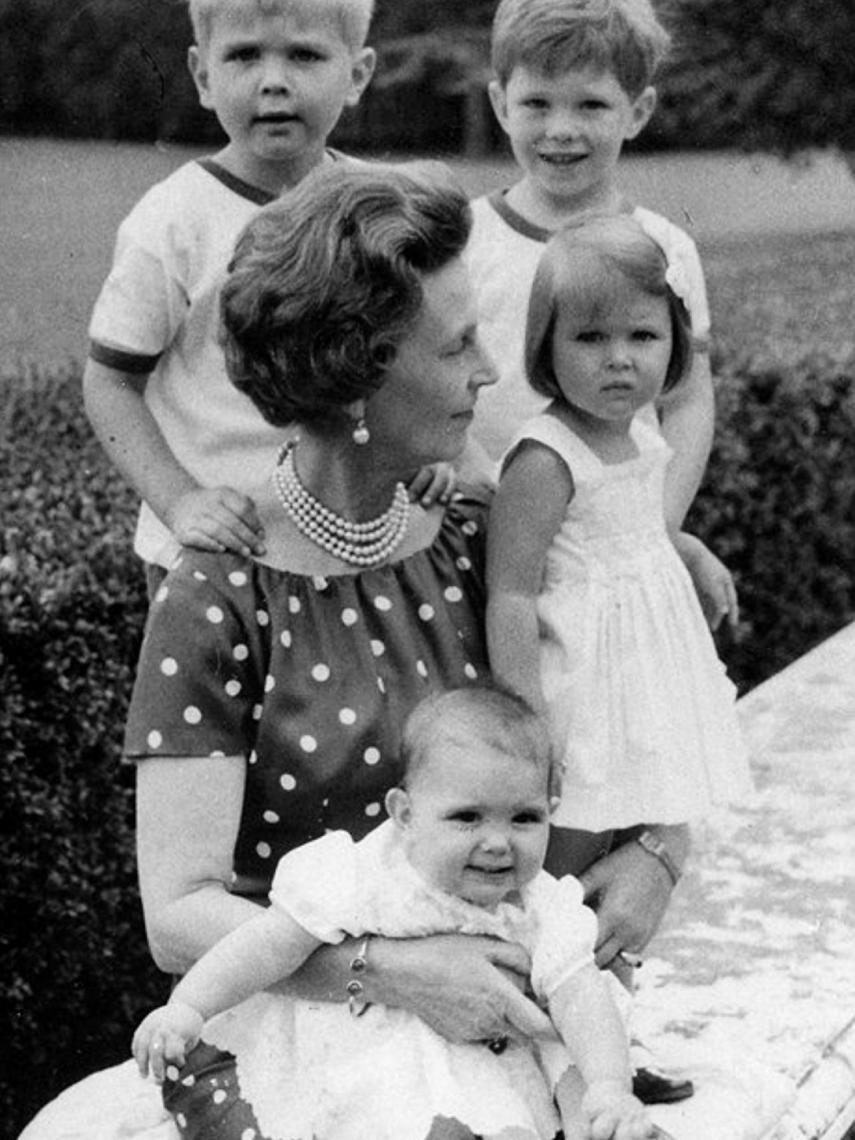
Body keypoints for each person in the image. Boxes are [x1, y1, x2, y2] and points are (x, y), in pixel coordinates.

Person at [132, 686, 656, 1140]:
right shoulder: (365, 874)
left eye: (524, 818)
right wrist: (190, 1009)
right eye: (467, 818)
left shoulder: (541, 903)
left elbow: (582, 996)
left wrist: (610, 1087)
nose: (498, 842)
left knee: (560, 1091)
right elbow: (268, 945)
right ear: (404, 814)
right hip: (377, 1053)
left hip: (490, 1056)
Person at [486, 214, 755, 1086]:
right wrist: (524, 724)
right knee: (561, 877)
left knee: (626, 863)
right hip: (579, 694)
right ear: (545, 346)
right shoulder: (545, 453)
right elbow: (513, 591)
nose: (618, 360)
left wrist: (690, 548)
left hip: (642, 686)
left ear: (673, 347)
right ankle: (544, 1049)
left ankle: (610, 1031)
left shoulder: (640, 433)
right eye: (589, 337)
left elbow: (634, 526)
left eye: (642, 336)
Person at [82, 0, 383, 590]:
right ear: (202, 76)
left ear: (357, 74)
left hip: (348, 541)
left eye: (304, 54)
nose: (273, 81)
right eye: (244, 55)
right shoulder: (174, 221)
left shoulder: (375, 206)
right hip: (214, 556)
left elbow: (405, 363)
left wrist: (423, 457)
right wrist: (181, 503)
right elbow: (110, 383)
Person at [464, 0, 715, 534]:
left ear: (638, 112)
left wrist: (660, 526)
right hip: (481, 524)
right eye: (537, 103)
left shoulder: (664, 246)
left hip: (620, 531)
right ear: (501, 105)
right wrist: (490, 501)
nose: (561, 129)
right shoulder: (462, 240)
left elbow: (688, 401)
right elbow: (430, 386)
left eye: (591, 106)